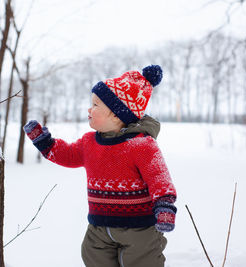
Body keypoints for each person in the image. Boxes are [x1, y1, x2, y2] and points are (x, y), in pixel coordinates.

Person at [24, 65, 177, 267]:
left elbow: (159, 177)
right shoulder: (89, 143)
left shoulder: (142, 145)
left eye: (96, 105)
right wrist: (46, 143)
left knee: (143, 262)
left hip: (139, 228)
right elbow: (68, 155)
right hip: (99, 228)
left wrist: (165, 205)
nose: (89, 109)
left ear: (116, 114)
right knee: (91, 256)